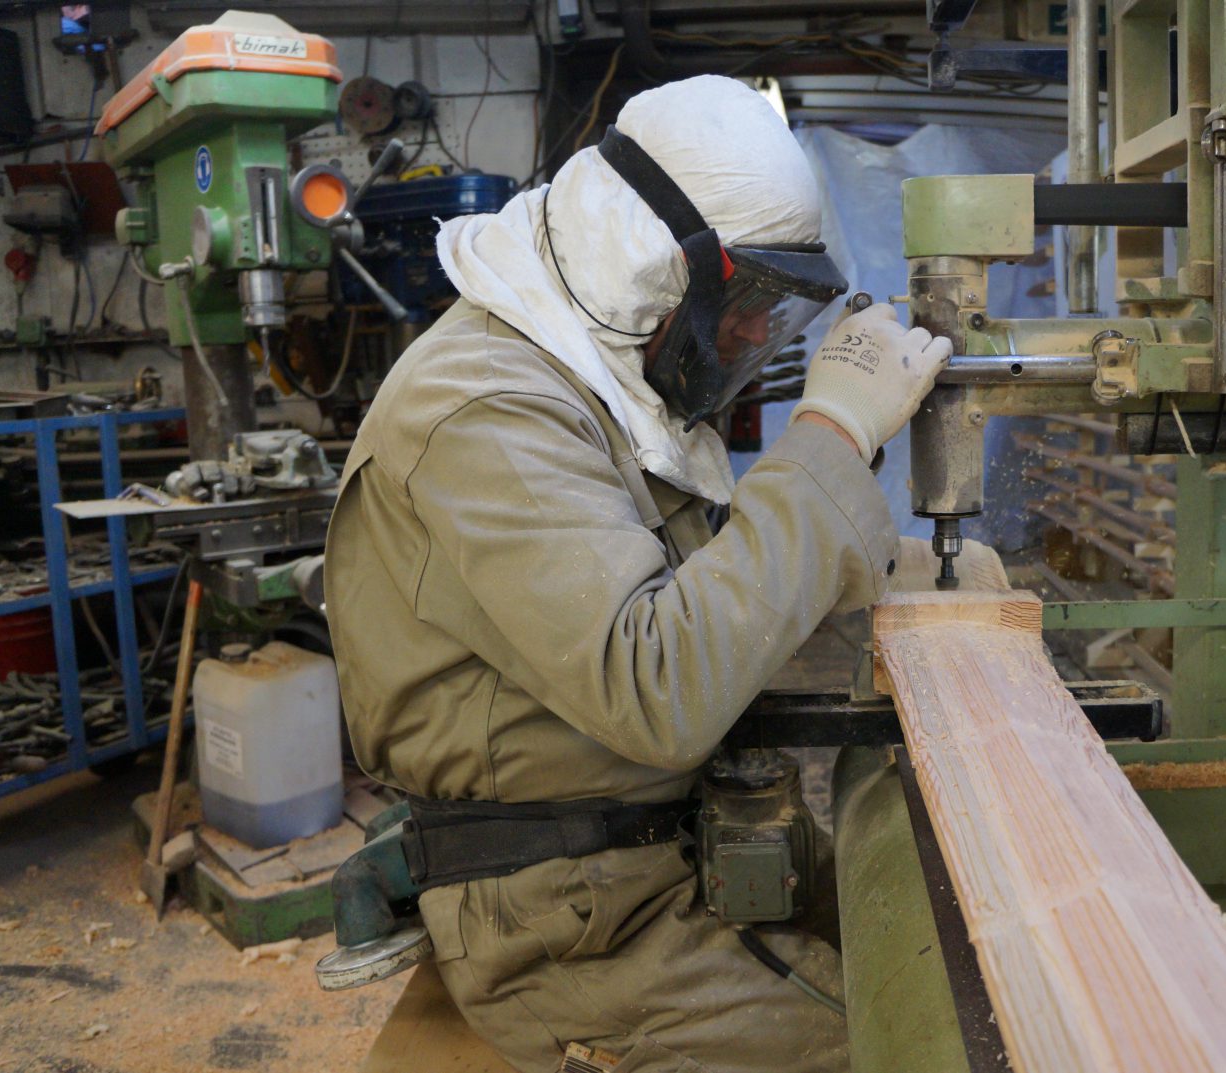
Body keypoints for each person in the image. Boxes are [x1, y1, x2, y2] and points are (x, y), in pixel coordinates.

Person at [324, 75, 950, 1073]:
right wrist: (831, 436)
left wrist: (896, 573)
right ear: (652, 267)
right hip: (568, 917)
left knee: (934, 955)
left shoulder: (595, 377)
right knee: (903, 1047)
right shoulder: (485, 407)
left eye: (772, 307)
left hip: (658, 843)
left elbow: (703, 585)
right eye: (745, 300)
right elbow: (656, 684)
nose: (755, 334)